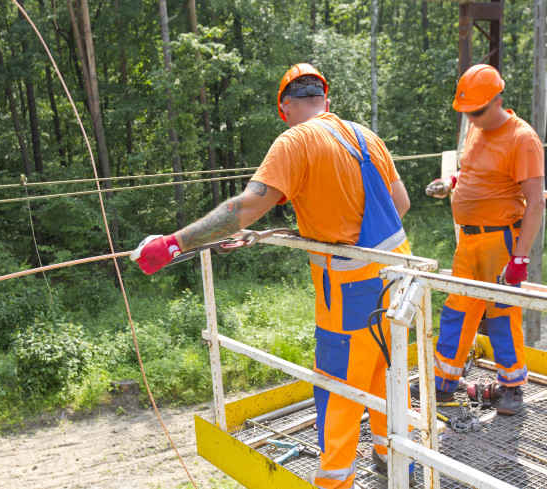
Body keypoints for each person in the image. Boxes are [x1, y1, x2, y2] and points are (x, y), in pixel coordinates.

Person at [130, 63, 416, 488]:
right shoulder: (362, 135)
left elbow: (243, 207)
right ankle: (395, 460)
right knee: (385, 371)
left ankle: (335, 479)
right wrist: (318, 227)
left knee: (339, 384)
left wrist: (175, 243)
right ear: (326, 102)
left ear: (284, 108)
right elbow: (401, 204)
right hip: (399, 277)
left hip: (350, 288)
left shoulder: (294, 142)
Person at [419, 64, 546, 415]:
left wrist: (519, 258)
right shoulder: (476, 131)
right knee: (457, 310)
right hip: (469, 242)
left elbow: (536, 202)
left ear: (497, 99)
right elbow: (476, 174)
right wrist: (452, 183)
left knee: (502, 313)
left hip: (500, 241)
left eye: (476, 111)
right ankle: (444, 381)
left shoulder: (523, 139)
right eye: (467, 113)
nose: (472, 119)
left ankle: (512, 386)